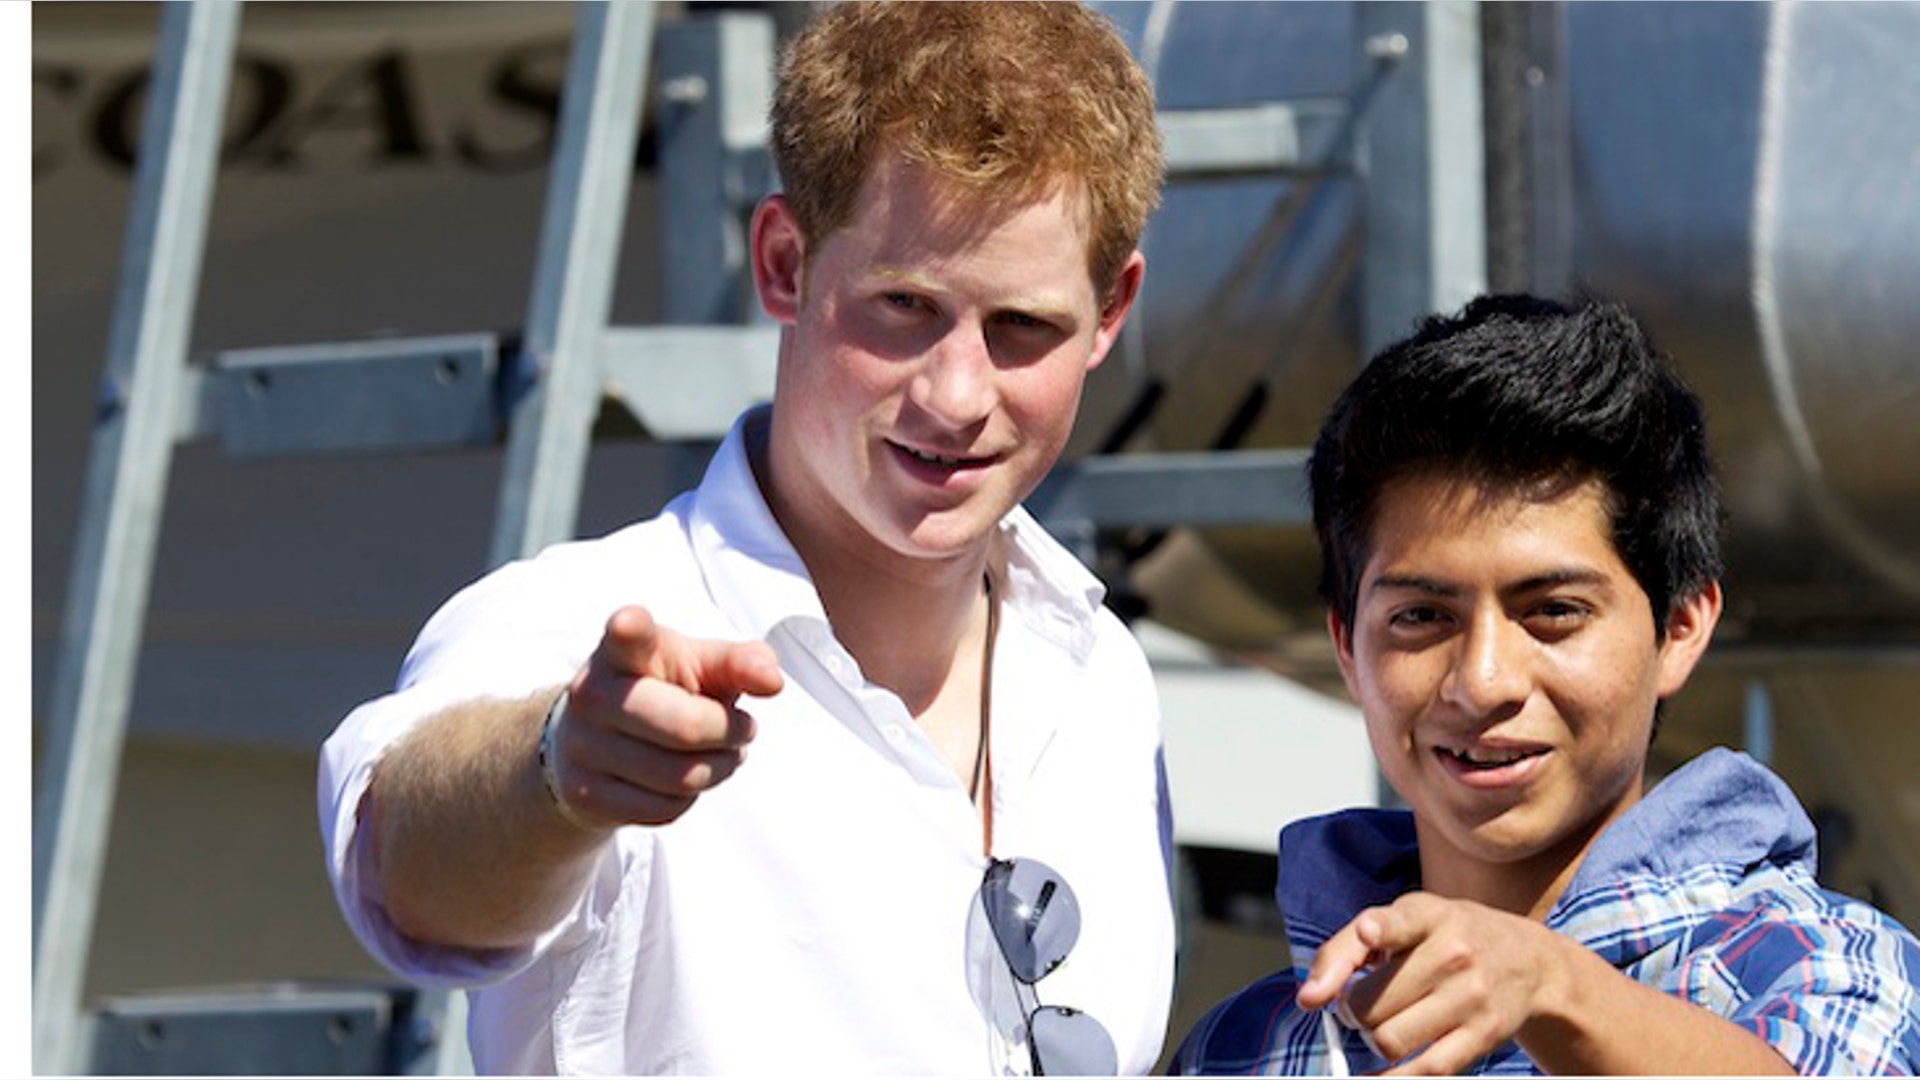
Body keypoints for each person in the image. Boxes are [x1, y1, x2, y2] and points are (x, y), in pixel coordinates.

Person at [317, 3, 1176, 1073]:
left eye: (1022, 329)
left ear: (1112, 312)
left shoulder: (1103, 678)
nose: (958, 394)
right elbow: (406, 870)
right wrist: (558, 770)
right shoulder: (583, 628)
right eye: (903, 305)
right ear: (782, 262)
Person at [1172, 295, 1920, 1075]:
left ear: (1681, 628)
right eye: (1422, 615)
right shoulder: (1247, 1050)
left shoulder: (1830, 971)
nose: (1483, 680)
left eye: (1554, 612)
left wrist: (1550, 985)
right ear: (1346, 647)